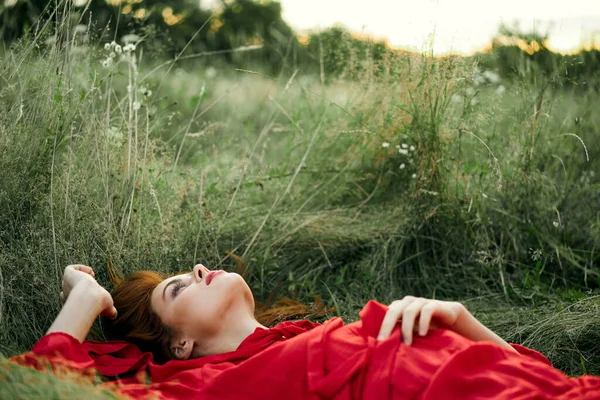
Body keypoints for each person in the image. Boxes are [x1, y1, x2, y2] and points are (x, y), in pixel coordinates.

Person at [13, 264, 600, 399]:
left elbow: (555, 382)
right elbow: (35, 381)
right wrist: (85, 299)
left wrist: (462, 321)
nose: (197, 269)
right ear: (180, 345)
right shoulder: (203, 386)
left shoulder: (303, 334)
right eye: (178, 288)